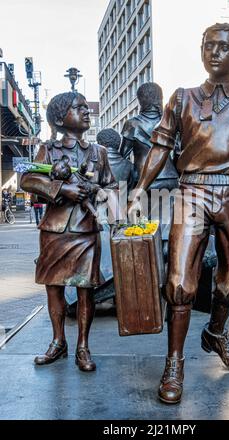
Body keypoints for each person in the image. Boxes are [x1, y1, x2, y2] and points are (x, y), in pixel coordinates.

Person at [129, 23, 229, 404]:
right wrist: (139, 188)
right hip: (192, 191)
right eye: (208, 46)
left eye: (224, 48)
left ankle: (215, 332)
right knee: (180, 281)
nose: (214, 53)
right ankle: (175, 361)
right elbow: (160, 146)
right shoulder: (182, 98)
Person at [20, 92, 117, 372]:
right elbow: (28, 179)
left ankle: (83, 346)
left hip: (86, 229)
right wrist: (62, 189)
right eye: (80, 108)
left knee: (85, 289)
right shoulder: (48, 150)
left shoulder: (98, 152)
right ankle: (58, 340)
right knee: (54, 287)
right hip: (54, 230)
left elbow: (111, 186)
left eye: (88, 108)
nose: (87, 112)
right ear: (61, 118)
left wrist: (98, 191)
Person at [120, 82, 178, 242]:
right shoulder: (168, 123)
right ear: (160, 98)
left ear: (140, 101)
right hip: (170, 179)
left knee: (144, 228)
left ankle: (152, 257)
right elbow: (178, 151)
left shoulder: (132, 124)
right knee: (168, 224)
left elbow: (122, 156)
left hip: (143, 181)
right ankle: (166, 252)